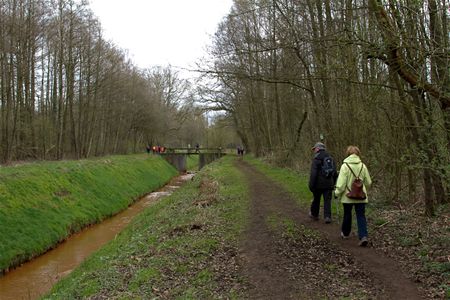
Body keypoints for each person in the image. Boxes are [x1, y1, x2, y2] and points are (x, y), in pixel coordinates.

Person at [334, 145, 372, 247]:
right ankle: (363, 236)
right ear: (358, 154)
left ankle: (345, 233)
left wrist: (336, 193)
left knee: (347, 214)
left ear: (348, 154)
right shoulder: (363, 166)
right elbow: (368, 182)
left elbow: (341, 185)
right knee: (361, 216)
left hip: (348, 196)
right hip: (361, 196)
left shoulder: (345, 166)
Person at [308, 142, 337, 224]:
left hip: (318, 184)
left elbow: (313, 174)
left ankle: (314, 215)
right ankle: (327, 217)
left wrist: (311, 185)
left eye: (314, 149)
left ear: (318, 149)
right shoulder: (330, 157)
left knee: (316, 199)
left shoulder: (316, 159)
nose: (314, 151)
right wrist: (334, 183)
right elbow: (334, 172)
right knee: (327, 200)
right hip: (329, 184)